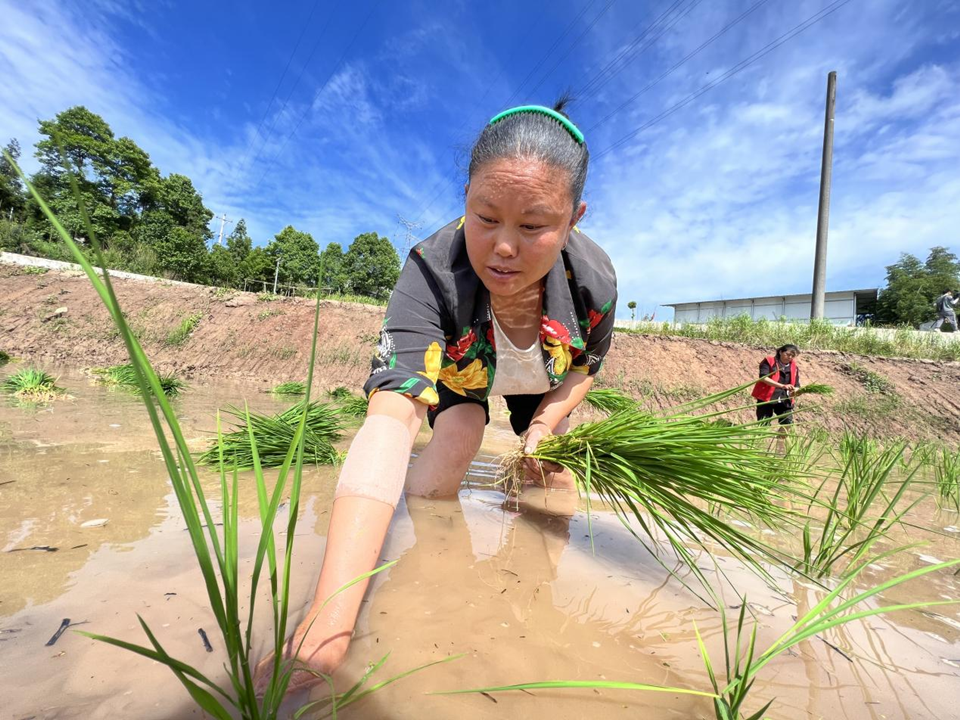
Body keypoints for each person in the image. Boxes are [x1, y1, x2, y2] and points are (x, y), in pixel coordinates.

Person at [254, 98, 617, 692]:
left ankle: (536, 584)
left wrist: (544, 428)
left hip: (544, 378)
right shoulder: (430, 271)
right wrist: (330, 623)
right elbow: (392, 419)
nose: (504, 246)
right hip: (463, 370)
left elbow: (585, 368)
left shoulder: (594, 281)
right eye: (485, 217)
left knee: (550, 471)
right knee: (457, 434)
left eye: (533, 226)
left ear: (573, 218)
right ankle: (433, 552)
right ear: (465, 199)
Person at [750, 344, 800, 428]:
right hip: (767, 398)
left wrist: (796, 390)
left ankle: (780, 441)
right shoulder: (769, 362)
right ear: (780, 352)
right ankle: (761, 440)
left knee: (788, 423)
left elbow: (797, 384)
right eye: (787, 354)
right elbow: (763, 378)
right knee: (763, 424)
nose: (790, 357)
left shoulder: (794, 368)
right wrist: (782, 386)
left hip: (784, 399)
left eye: (792, 356)